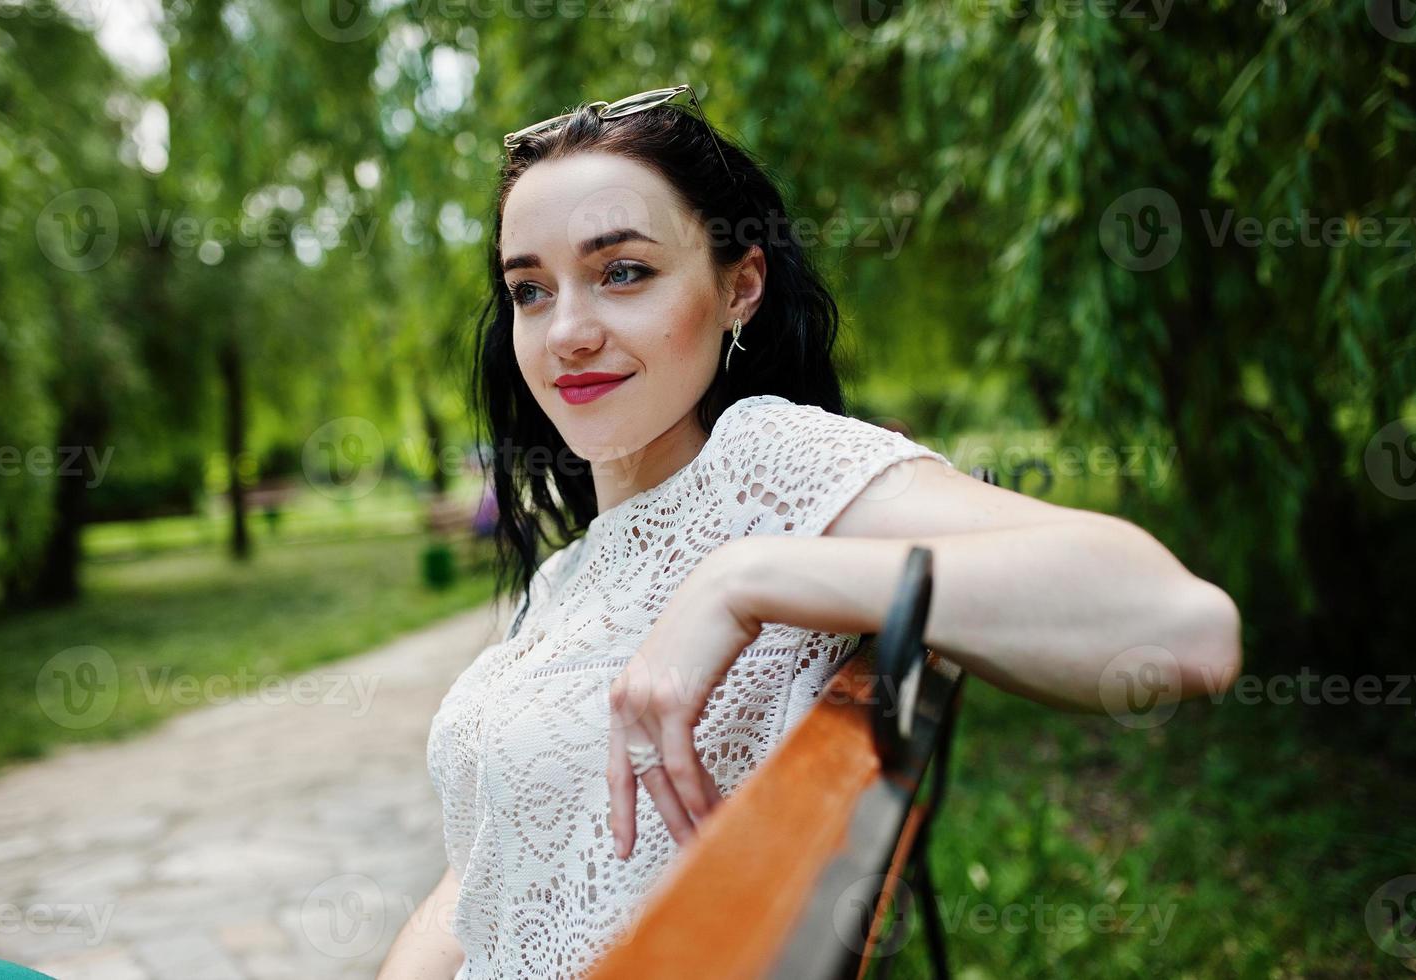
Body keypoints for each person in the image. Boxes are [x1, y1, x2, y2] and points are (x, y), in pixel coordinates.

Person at [381, 85, 1241, 980]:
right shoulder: (561, 578)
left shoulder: (761, 463)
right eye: (528, 289)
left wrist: (743, 581)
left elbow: (1181, 626)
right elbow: (485, 872)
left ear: (738, 288)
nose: (565, 332)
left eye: (622, 272)